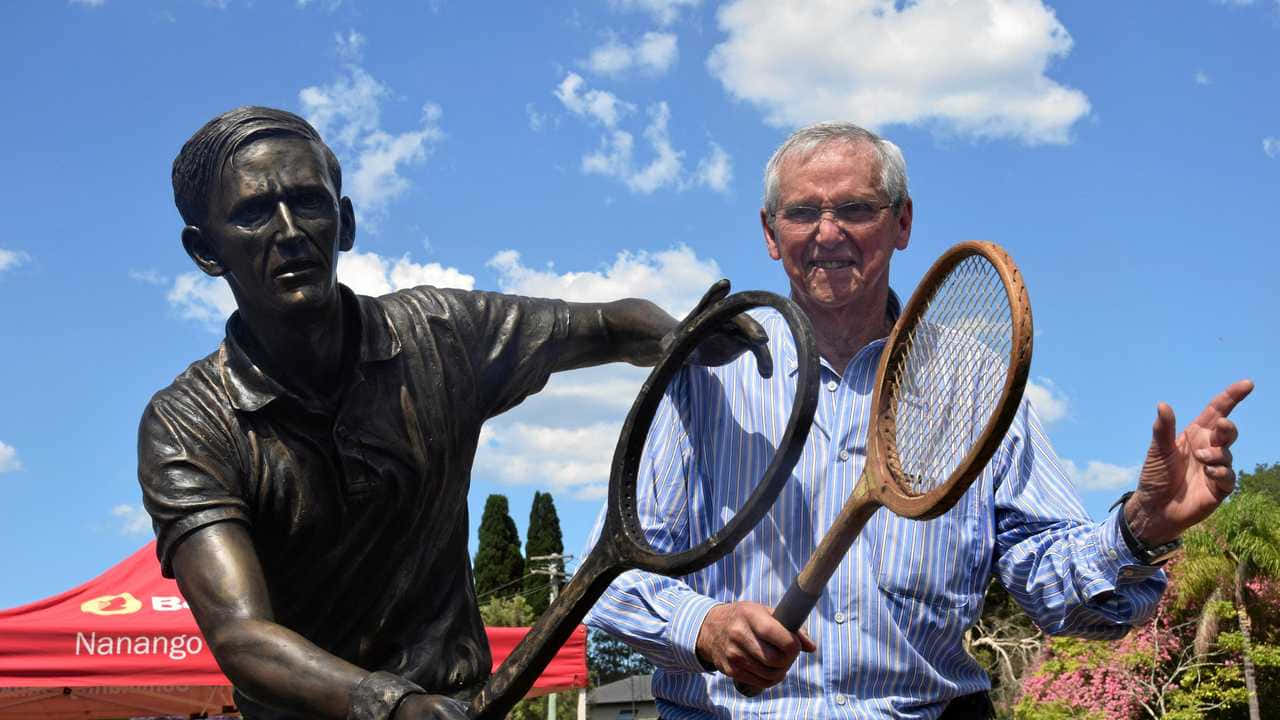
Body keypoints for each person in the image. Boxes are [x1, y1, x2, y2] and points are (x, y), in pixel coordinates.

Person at [583, 122, 1253, 719]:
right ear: (769, 233)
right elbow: (603, 578)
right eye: (802, 212)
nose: (827, 233)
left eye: (856, 209)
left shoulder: (976, 382)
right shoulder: (703, 377)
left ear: (902, 223)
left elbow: (1051, 590)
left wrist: (1139, 529)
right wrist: (701, 625)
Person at [136, 106, 768, 720]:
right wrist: (395, 706)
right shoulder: (189, 423)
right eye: (251, 214)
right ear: (204, 250)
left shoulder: (439, 334)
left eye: (308, 201)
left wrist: (679, 336)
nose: (289, 229)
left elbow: (608, 322)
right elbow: (242, 635)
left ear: (346, 222)